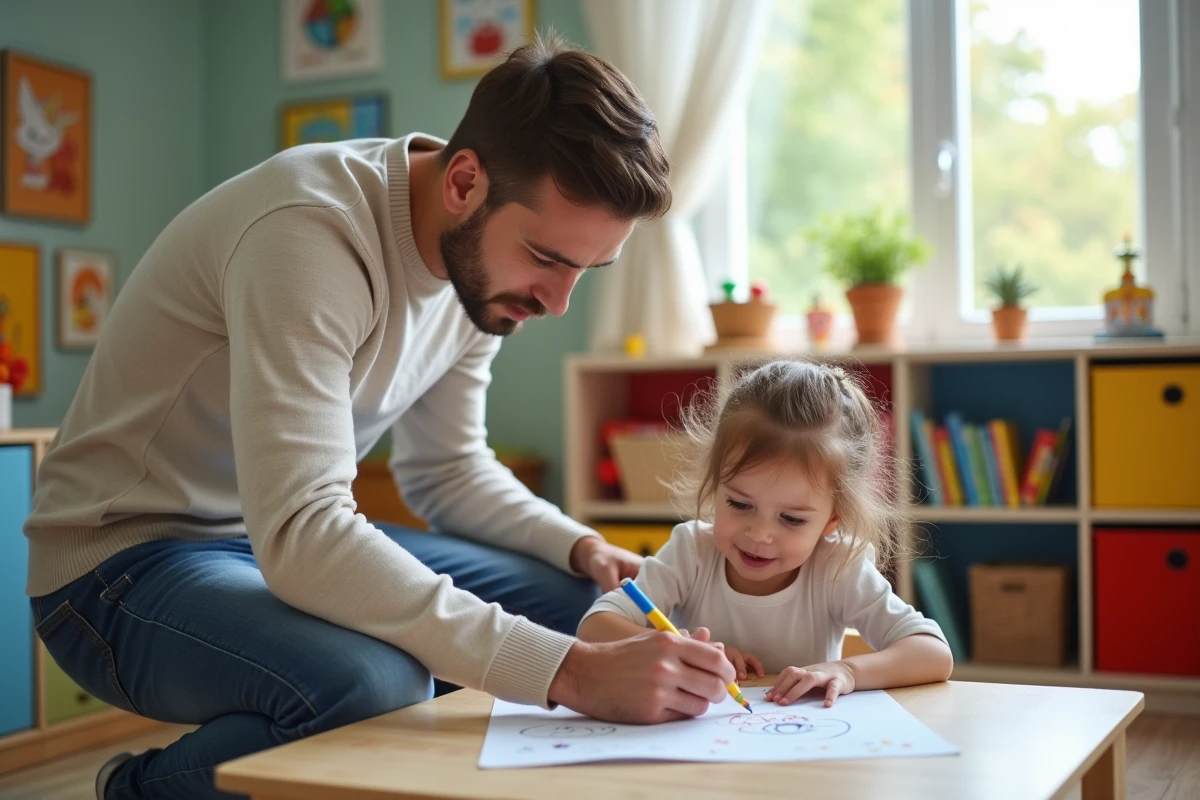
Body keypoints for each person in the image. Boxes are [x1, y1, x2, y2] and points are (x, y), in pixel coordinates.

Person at [24, 35, 736, 800]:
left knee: (583, 609)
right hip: (121, 565)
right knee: (375, 684)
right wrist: (567, 674)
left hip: (267, 538)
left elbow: (447, 470)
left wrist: (582, 547)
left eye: (585, 271)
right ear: (465, 181)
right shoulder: (308, 234)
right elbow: (303, 534)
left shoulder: (478, 274)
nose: (556, 302)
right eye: (546, 258)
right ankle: (137, 790)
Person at [578, 360, 954, 707]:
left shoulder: (838, 566)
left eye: (791, 519)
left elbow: (933, 653)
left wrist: (849, 671)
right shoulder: (692, 550)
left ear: (832, 520)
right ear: (715, 484)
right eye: (740, 505)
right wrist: (682, 649)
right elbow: (594, 626)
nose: (759, 535)